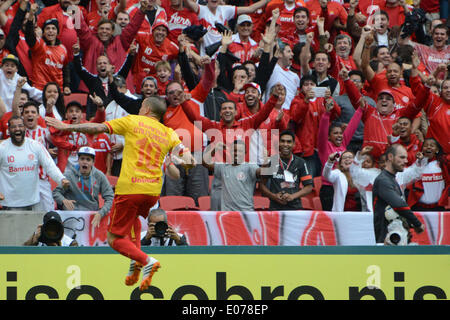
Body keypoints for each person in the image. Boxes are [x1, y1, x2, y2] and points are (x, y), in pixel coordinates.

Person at [45, 96, 194, 291]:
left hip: (130, 190)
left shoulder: (133, 121)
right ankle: (136, 265)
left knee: (114, 239)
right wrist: (186, 162)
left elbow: (97, 128)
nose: (139, 109)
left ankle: (147, 260)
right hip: (152, 194)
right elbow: (189, 159)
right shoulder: (169, 133)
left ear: (147, 110)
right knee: (131, 224)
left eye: (141, 106)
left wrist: (66, 128)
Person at [0, 116, 69, 211]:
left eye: (20, 125)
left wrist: (61, 179)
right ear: (9, 130)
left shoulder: (35, 146)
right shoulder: (2, 148)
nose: (17, 129)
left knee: (35, 225)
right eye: (13, 127)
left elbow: (49, 165)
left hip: (33, 202)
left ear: (24, 128)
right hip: (10, 203)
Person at [372, 144, 425, 244]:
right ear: (391, 157)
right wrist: (417, 224)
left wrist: (409, 224)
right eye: (402, 157)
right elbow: (399, 205)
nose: (406, 161)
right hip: (387, 240)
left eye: (406, 158)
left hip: (397, 239)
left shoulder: (392, 179)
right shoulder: (383, 180)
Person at [52, 146, 114, 228]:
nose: (85, 162)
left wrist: (101, 213)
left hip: (92, 215)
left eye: (88, 160)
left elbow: (110, 197)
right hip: (72, 215)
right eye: (82, 159)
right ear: (78, 160)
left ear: (93, 162)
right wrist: (63, 200)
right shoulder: (69, 175)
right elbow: (56, 192)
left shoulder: (99, 176)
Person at [259, 130, 313, 210]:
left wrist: (292, 196)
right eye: (283, 141)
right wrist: (274, 196)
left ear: (294, 144)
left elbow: (309, 187)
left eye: (289, 142)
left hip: (295, 208)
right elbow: (262, 185)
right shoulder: (272, 161)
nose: (285, 144)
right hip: (275, 208)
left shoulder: (300, 162)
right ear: (278, 143)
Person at [203, 140, 262, 211]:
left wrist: (266, 162)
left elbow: (261, 172)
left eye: (240, 151)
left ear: (245, 153)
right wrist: (215, 149)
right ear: (230, 152)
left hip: (246, 212)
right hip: (227, 213)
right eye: (234, 150)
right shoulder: (223, 167)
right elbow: (204, 162)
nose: (236, 153)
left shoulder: (250, 167)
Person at [25, 4, 70, 93]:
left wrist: (66, 85)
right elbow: (29, 35)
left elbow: (65, 69)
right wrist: (31, 16)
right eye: (47, 28)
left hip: (57, 91)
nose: (50, 31)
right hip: (39, 90)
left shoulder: (63, 49)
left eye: (53, 28)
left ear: (57, 32)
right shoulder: (39, 45)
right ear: (43, 32)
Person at [407, 138, 450, 211]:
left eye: (432, 145)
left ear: (437, 150)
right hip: (419, 207)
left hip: (439, 207)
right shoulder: (418, 163)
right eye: (426, 145)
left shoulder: (443, 163)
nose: (428, 147)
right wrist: (419, 160)